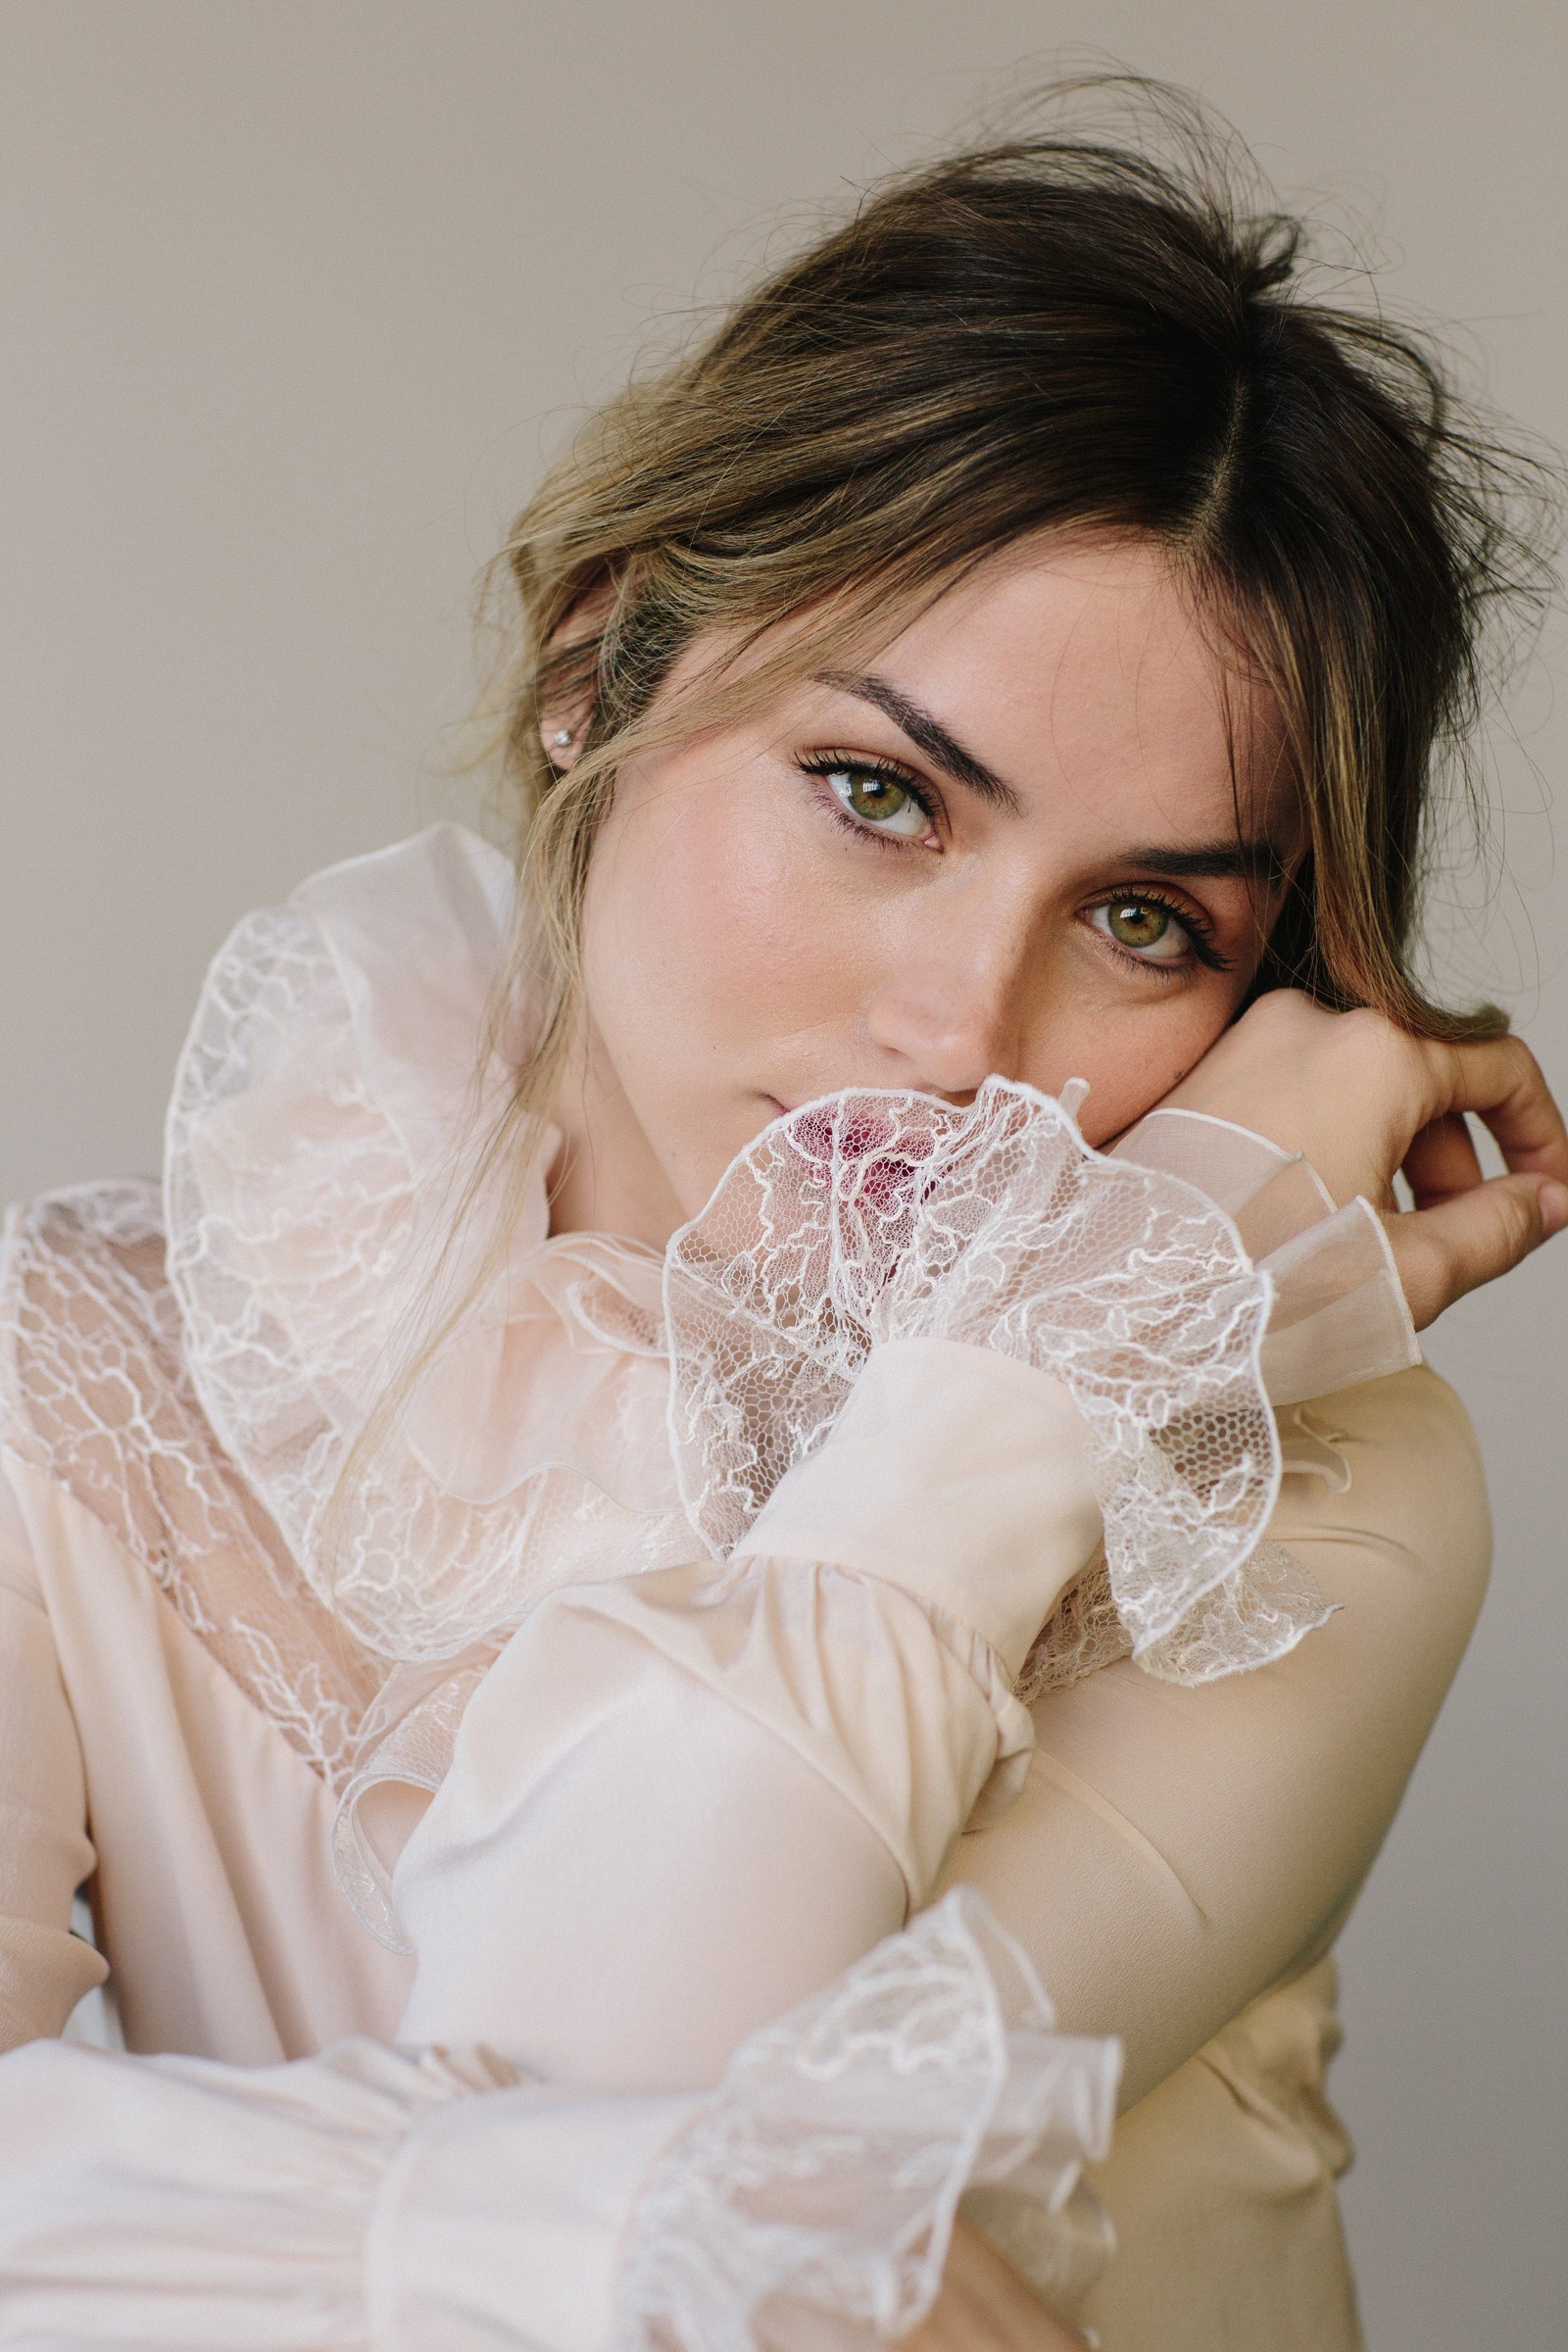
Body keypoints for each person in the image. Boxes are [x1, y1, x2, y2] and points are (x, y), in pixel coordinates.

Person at [0, 84, 1562, 2352]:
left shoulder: (1302, 1489)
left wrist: (1051, 1357)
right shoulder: (91, 1381)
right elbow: (651, 2237)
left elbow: (656, 2105)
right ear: (591, 669)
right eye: (877, 796)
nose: (960, 1027)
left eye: (1142, 922)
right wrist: (537, 2233)